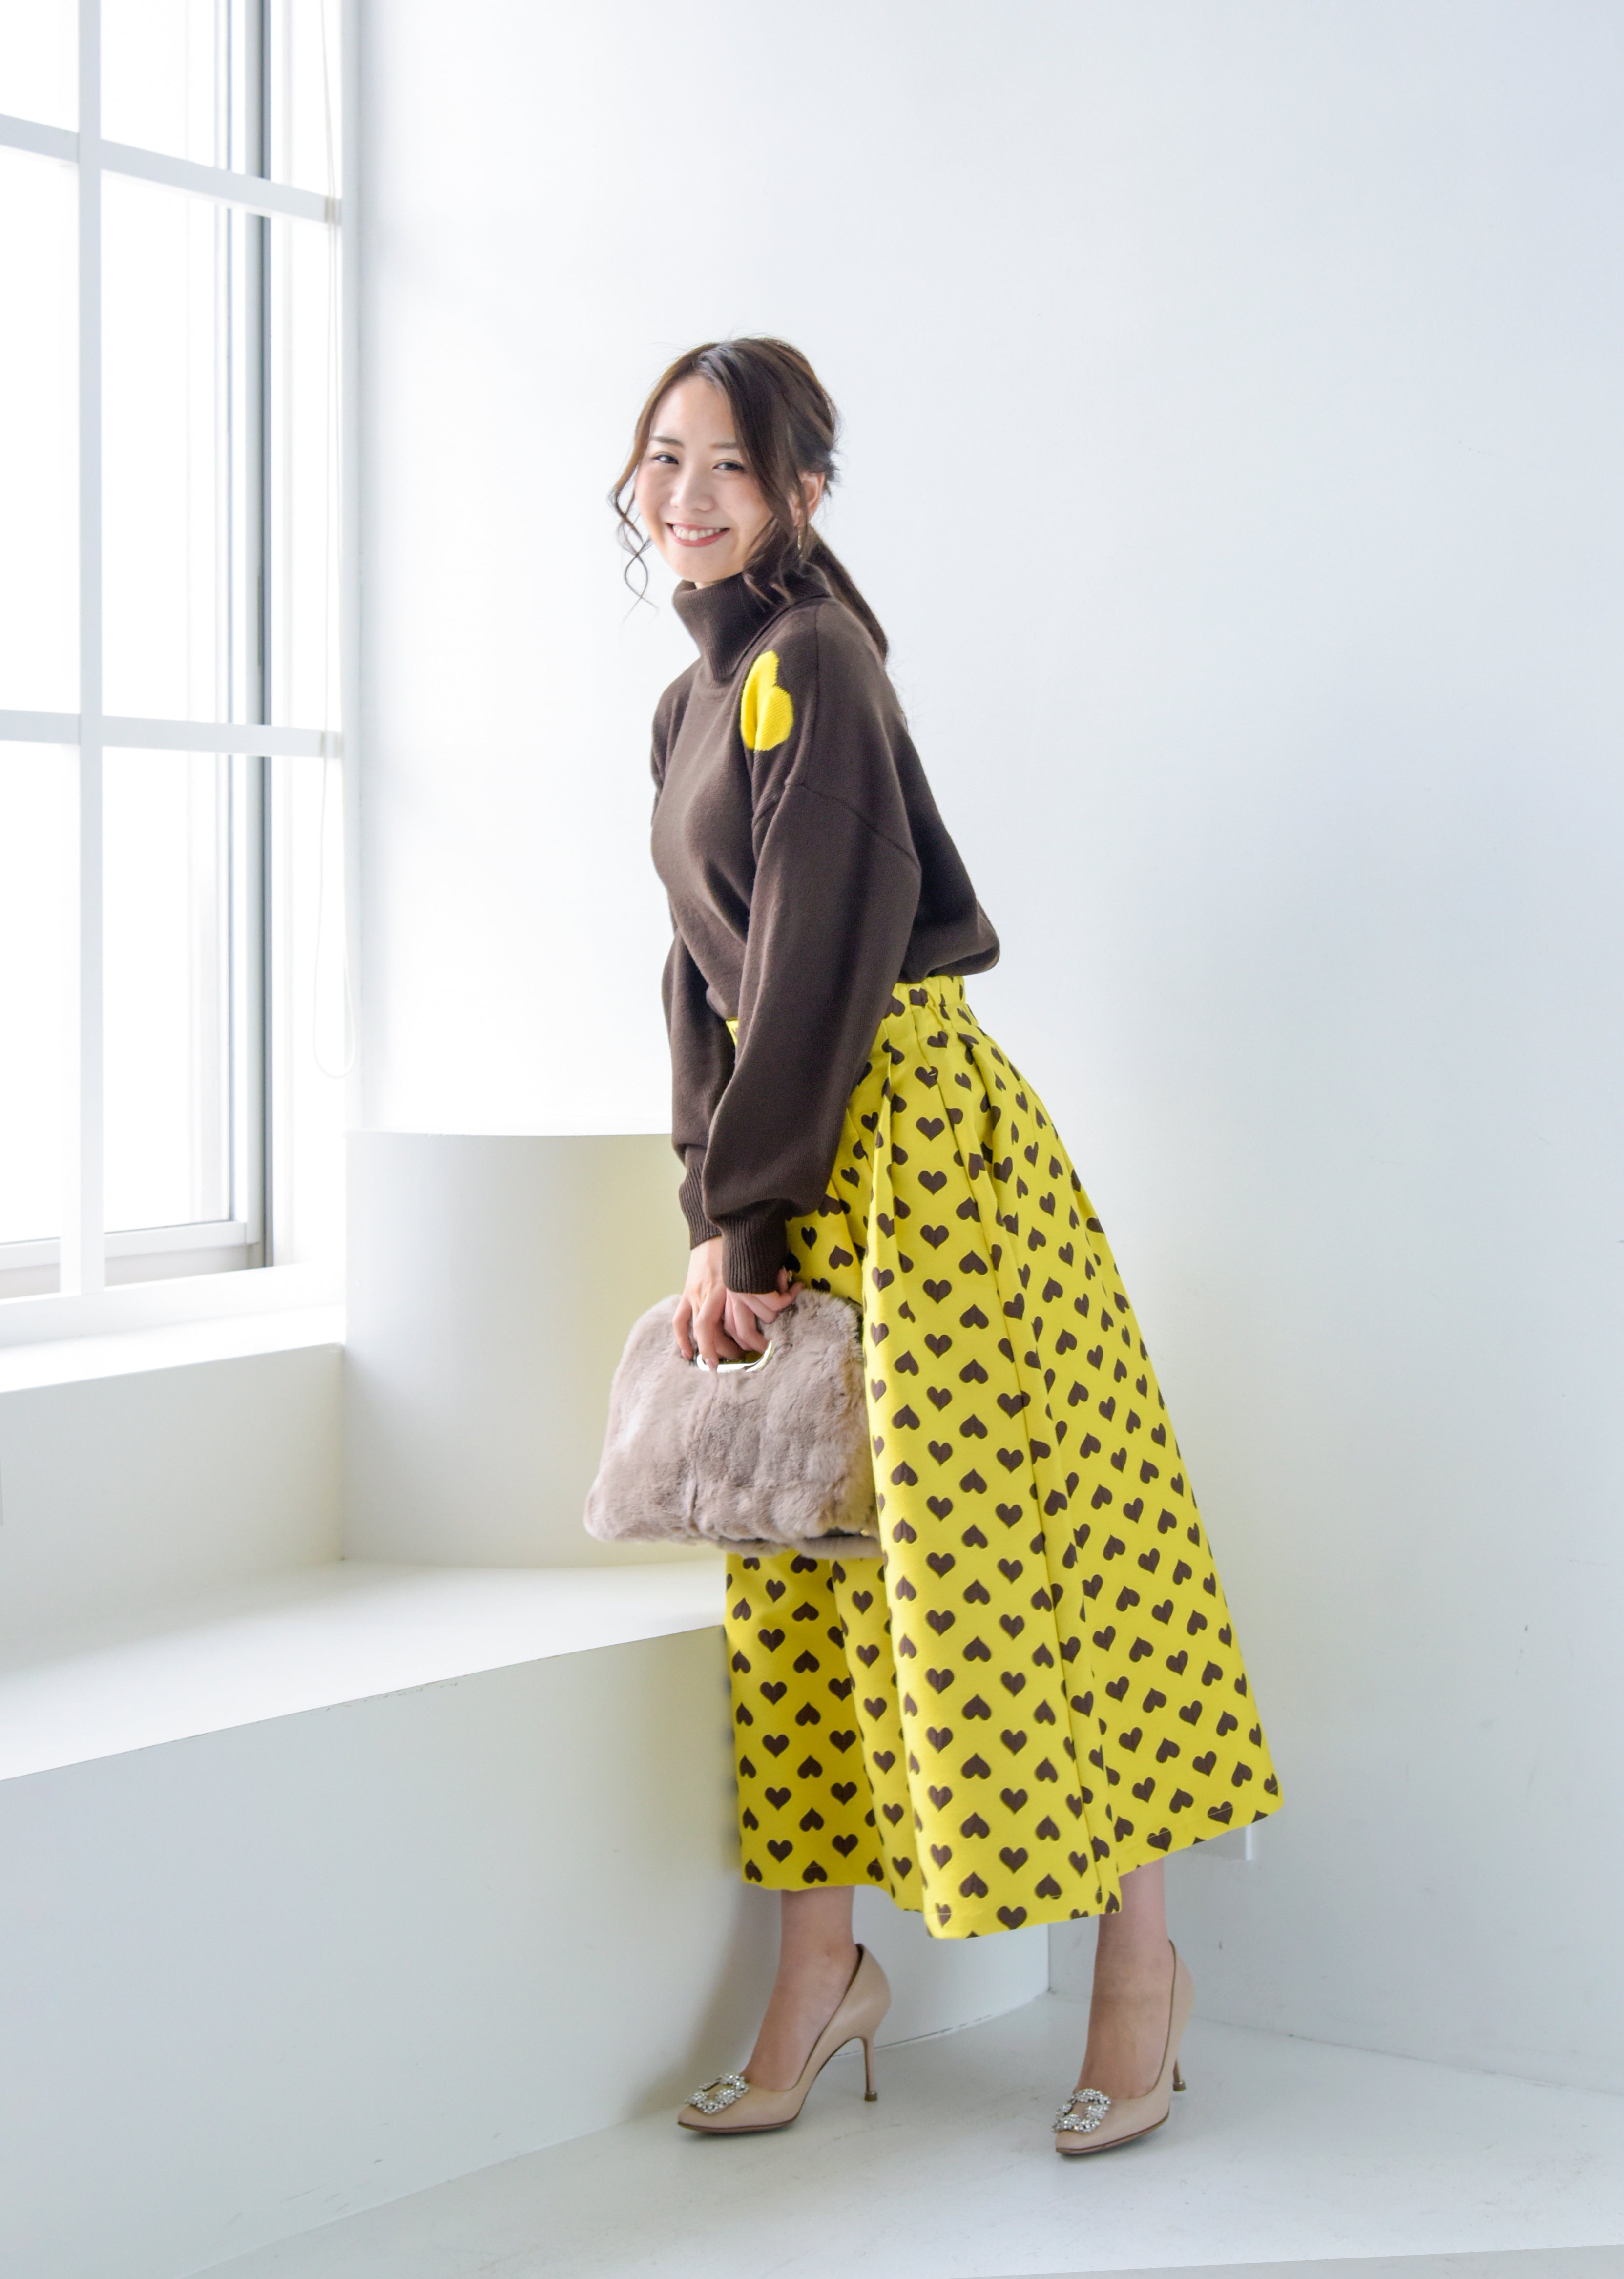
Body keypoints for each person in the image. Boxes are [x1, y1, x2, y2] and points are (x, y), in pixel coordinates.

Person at [612, 338, 1281, 2154]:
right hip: (800, 1158)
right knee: (796, 1574)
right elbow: (699, 975)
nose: (685, 495)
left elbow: (831, 943)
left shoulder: (816, 662)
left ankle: (1139, 1968)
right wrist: (715, 1201)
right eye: (663, 458)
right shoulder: (692, 702)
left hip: (921, 1160)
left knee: (1040, 1559)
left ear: (802, 494)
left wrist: (749, 1208)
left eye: (727, 466)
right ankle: (819, 1973)